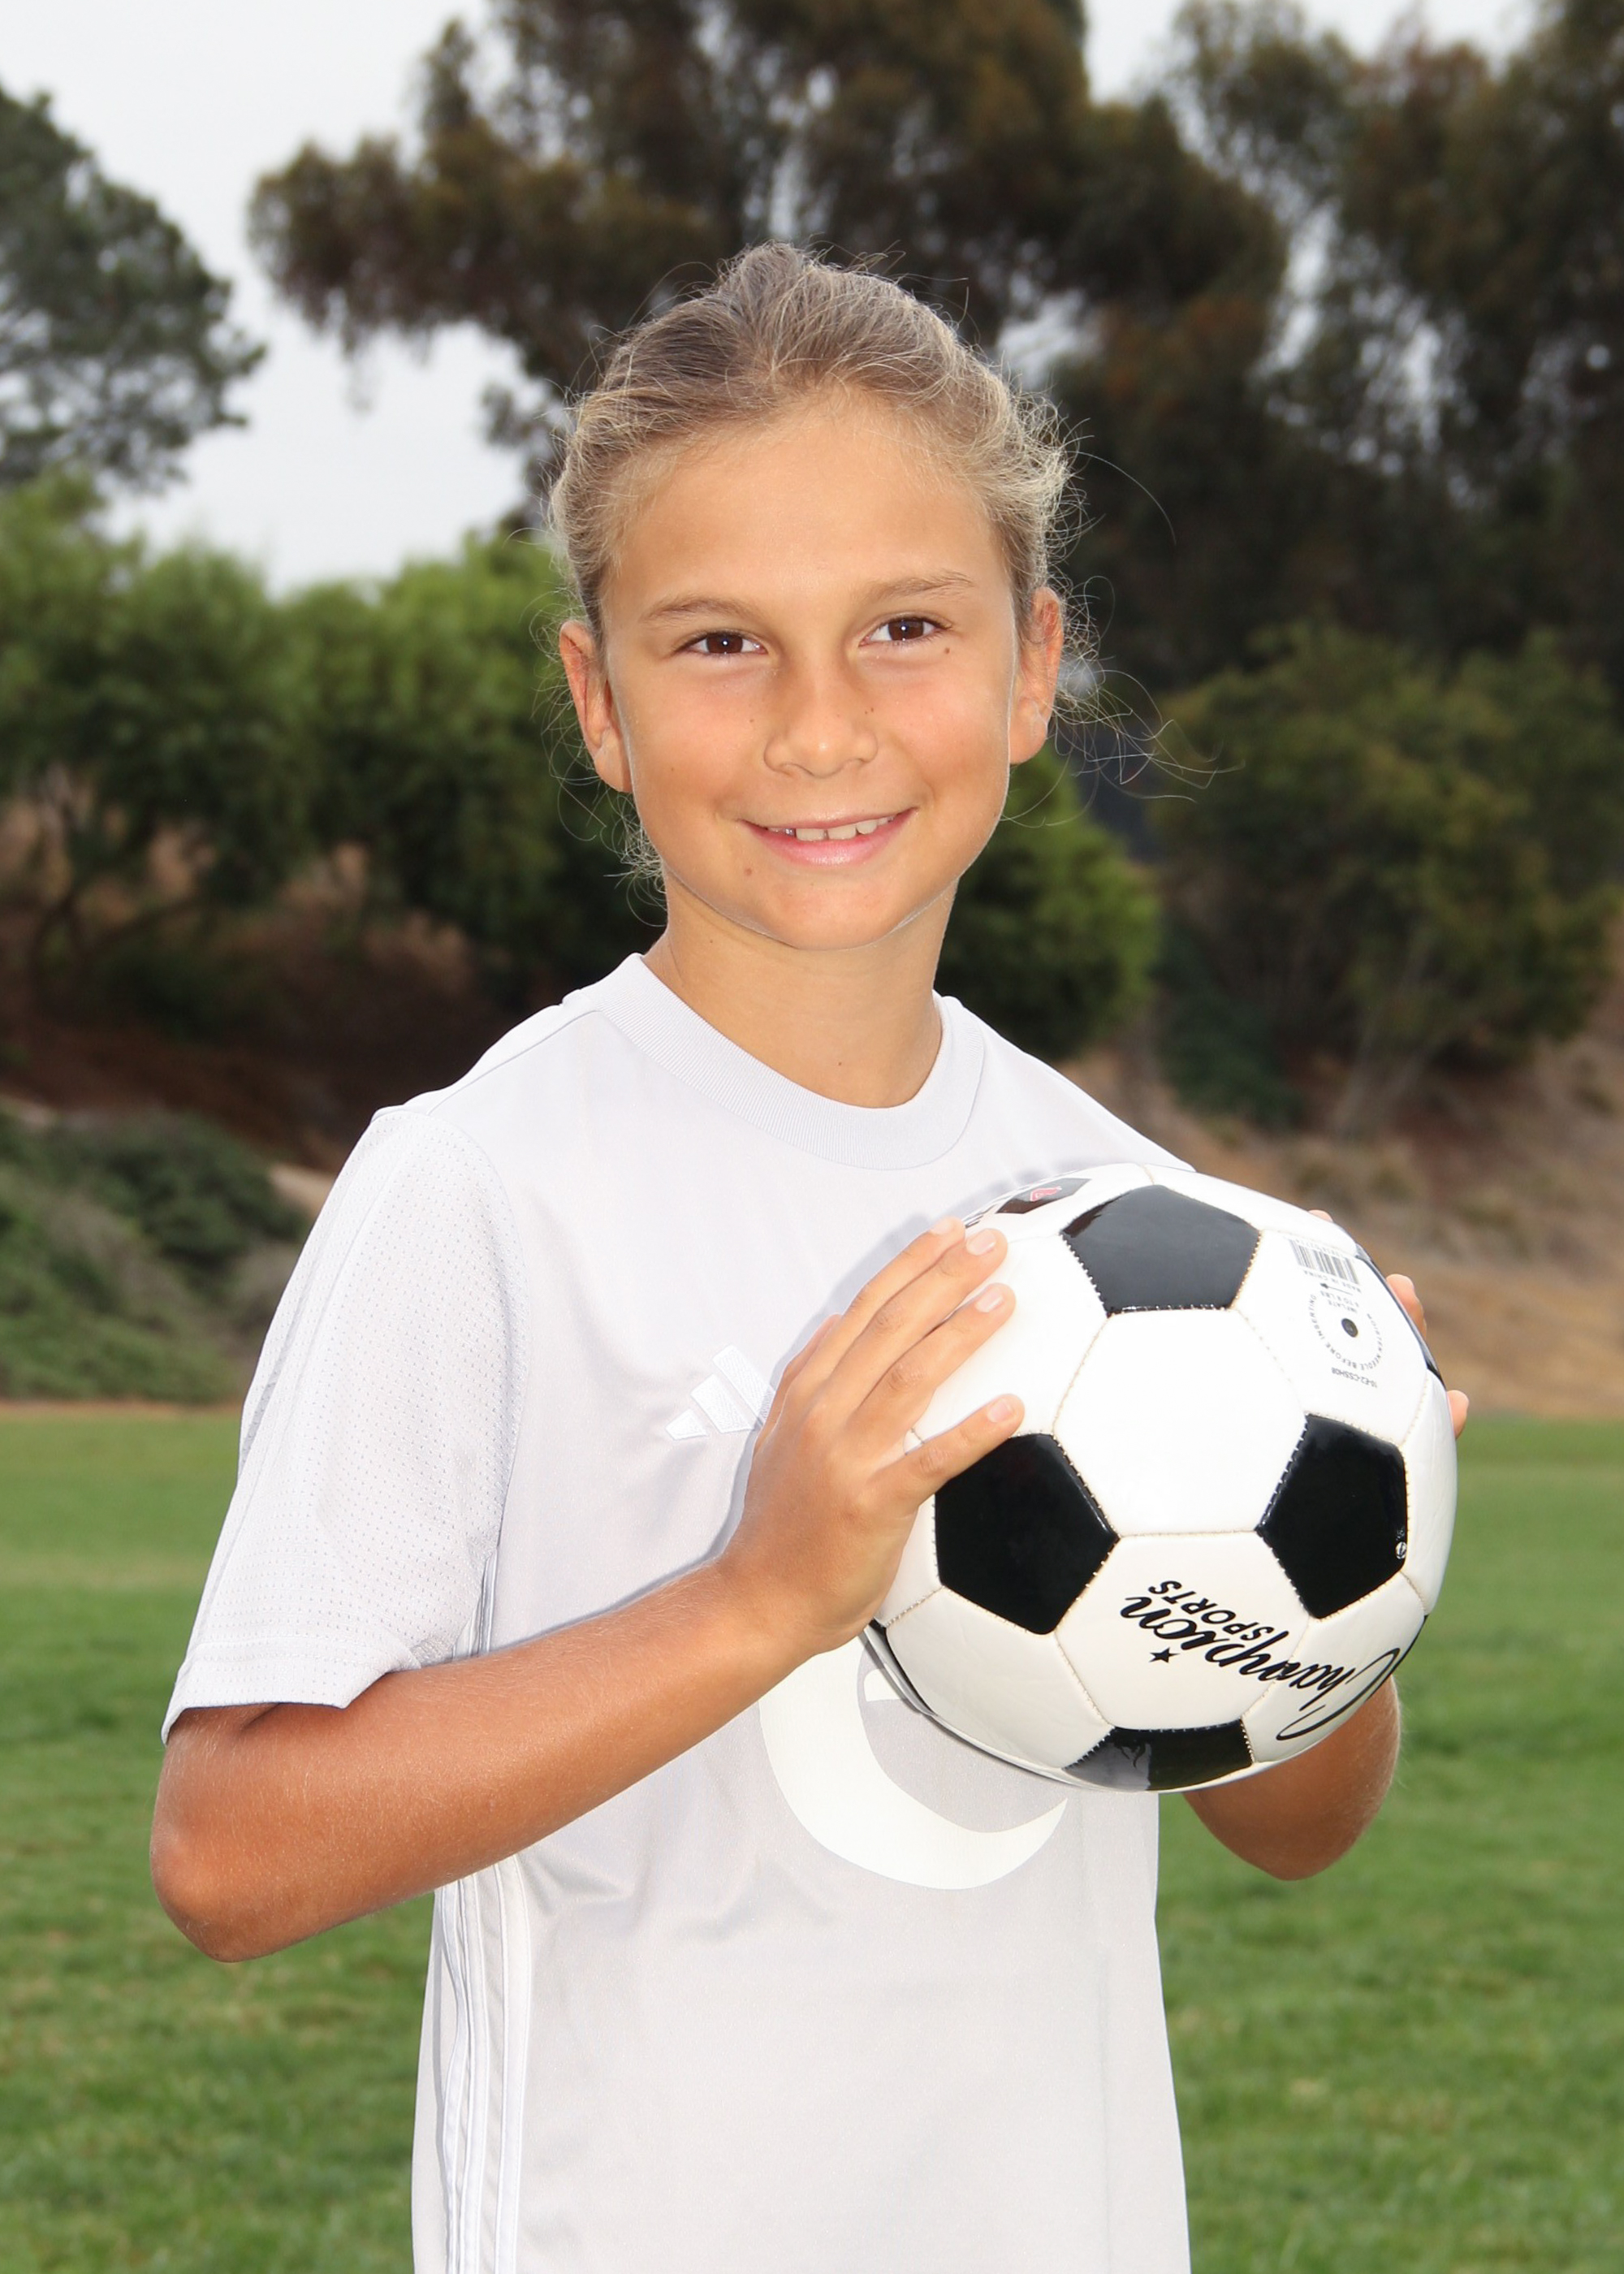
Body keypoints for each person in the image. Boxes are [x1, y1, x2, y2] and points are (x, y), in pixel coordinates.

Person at [151, 245, 1466, 2274]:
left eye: (904, 626)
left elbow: (1294, 1823)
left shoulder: (1133, 1207)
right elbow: (230, 1851)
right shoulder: (479, 1186)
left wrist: (1354, 1532)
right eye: (719, 643)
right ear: (599, 700)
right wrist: (758, 1595)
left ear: (1033, 667)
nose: (820, 725)